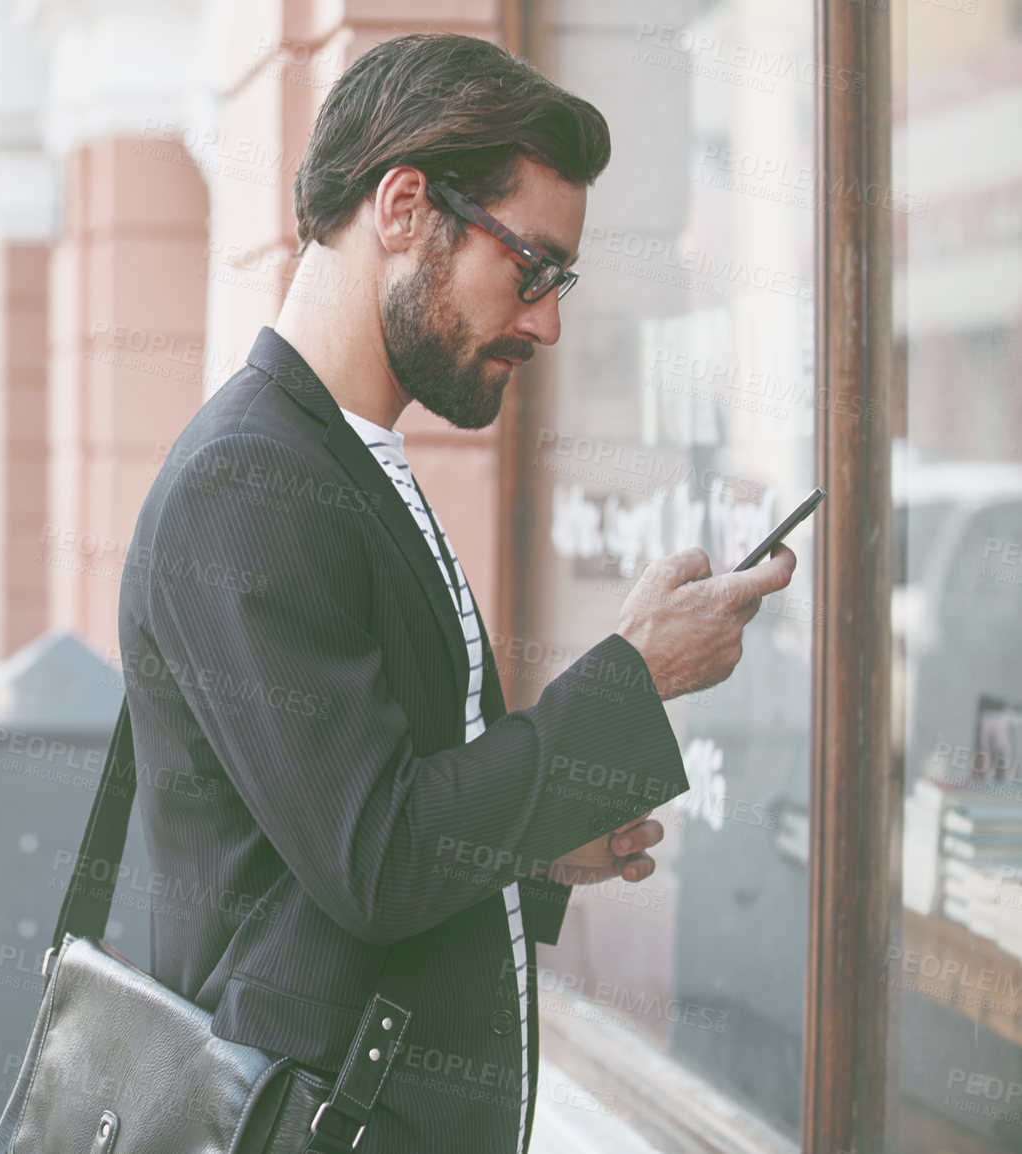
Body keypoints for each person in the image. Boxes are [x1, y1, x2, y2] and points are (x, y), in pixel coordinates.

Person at [115, 34, 799, 1153]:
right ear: (401, 207)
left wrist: (529, 849)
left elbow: (361, 818)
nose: (546, 321)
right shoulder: (253, 478)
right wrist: (635, 675)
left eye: (561, 282)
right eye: (531, 268)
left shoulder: (337, 457)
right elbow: (376, 858)